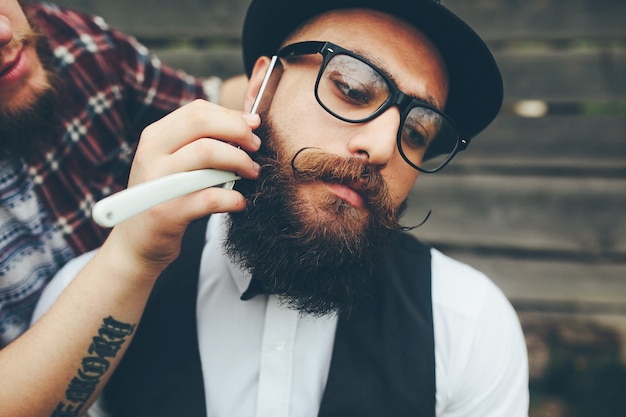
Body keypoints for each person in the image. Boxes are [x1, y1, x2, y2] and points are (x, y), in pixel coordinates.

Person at [33, 0, 530, 416]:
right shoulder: (92, 299)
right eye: (353, 88)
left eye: (417, 132)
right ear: (260, 88)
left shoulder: (468, 325)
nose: (382, 145)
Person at [0, 1, 248, 415]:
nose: (3, 33)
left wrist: (311, 72)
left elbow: (205, 104)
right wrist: (133, 254)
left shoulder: (70, 44)